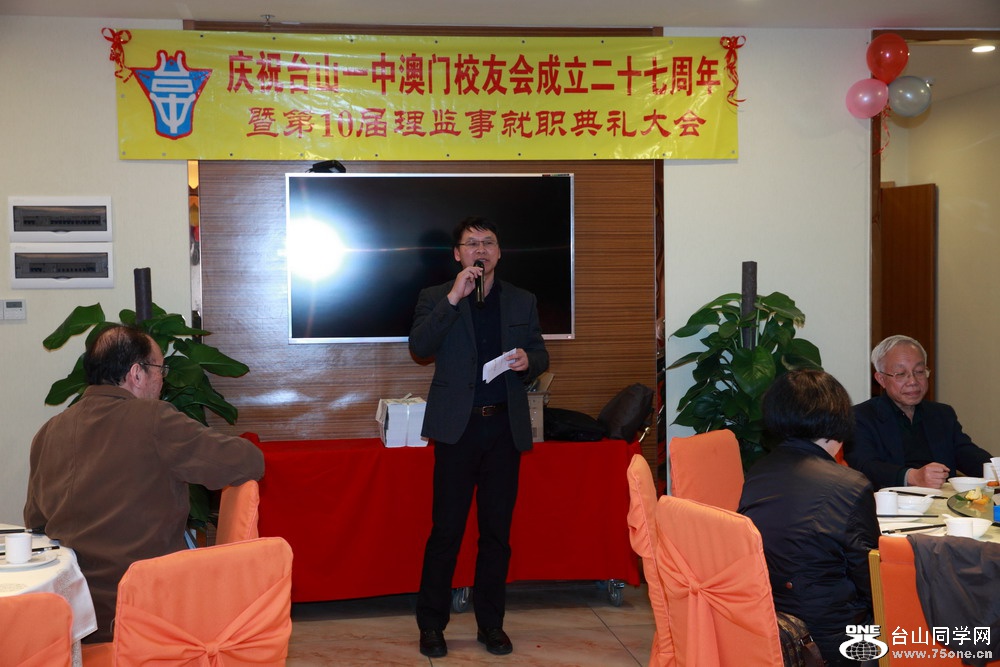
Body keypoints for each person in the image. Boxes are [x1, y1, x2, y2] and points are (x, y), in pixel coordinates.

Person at [23, 324, 264, 643]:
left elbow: (36, 524)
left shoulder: (49, 431)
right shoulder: (153, 419)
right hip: (147, 612)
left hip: (72, 620)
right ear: (137, 373)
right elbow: (247, 462)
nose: (163, 380)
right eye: (160, 370)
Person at [409, 216, 549, 658]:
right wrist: (455, 297)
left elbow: (540, 352)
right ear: (458, 255)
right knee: (446, 532)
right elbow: (420, 347)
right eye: (472, 244)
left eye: (489, 242)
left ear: (499, 253)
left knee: (496, 535)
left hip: (503, 429)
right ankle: (432, 625)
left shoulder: (522, 300)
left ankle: (491, 624)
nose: (481, 249)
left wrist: (529, 360)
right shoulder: (436, 296)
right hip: (458, 430)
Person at [738, 369, 879, 667]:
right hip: (828, 635)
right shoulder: (851, 485)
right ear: (839, 417)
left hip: (771, 615)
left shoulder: (760, 471)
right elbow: (871, 578)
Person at [846, 334, 991, 489]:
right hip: (891, 501)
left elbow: (968, 454)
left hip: (943, 501)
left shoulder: (942, 414)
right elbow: (865, 467)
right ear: (881, 379)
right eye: (901, 374)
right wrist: (912, 476)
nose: (913, 381)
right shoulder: (860, 417)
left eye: (919, 371)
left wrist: (995, 470)